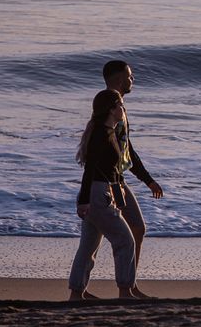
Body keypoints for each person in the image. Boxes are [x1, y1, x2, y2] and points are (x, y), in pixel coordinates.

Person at [67, 60, 166, 300]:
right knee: (124, 239)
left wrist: (147, 180)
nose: (133, 80)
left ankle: (113, 288)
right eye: (130, 77)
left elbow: (126, 151)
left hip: (114, 181)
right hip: (105, 185)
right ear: (120, 80)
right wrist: (84, 199)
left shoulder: (112, 117)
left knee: (125, 233)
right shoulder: (107, 120)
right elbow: (93, 165)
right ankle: (125, 288)